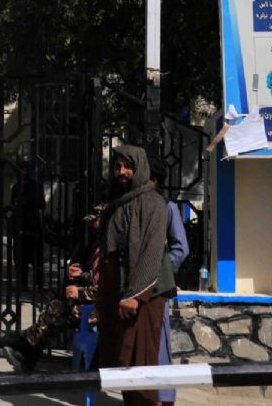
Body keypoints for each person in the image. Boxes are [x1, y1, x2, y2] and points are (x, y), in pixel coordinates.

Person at [97, 146, 175, 406]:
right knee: (125, 361)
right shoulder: (119, 203)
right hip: (120, 291)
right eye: (118, 166)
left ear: (139, 167)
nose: (122, 172)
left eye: (127, 166)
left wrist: (134, 295)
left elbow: (151, 251)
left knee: (143, 360)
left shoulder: (153, 203)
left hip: (145, 294)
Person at [0, 203, 106, 371]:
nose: (90, 226)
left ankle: (21, 346)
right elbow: (93, 277)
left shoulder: (109, 249)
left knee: (56, 314)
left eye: (94, 221)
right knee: (53, 310)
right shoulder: (95, 245)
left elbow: (105, 287)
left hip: (100, 306)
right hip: (90, 302)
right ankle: (26, 354)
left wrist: (80, 293)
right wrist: (77, 274)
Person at [148, 158, 190, 406]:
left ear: (154, 181)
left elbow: (180, 248)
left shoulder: (168, 207)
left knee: (160, 343)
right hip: (137, 289)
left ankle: (164, 397)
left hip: (157, 288)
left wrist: (161, 272)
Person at [11, 160, 45, 291]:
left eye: (24, 170)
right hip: (19, 224)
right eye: (20, 170)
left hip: (32, 224)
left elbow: (41, 205)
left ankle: (38, 283)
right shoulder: (16, 186)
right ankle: (22, 282)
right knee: (20, 257)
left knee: (36, 256)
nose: (22, 173)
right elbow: (13, 204)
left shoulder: (35, 186)